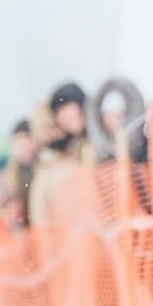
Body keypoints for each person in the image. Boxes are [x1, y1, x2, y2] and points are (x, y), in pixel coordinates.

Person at [28, 81, 95, 227]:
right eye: (59, 112)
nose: (65, 117)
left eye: (67, 108)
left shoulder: (98, 136)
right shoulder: (48, 167)